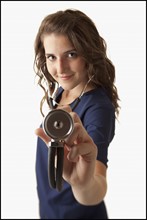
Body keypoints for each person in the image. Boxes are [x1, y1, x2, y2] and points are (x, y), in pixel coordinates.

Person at [34, 8, 120, 219]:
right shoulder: (65, 90)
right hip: (50, 212)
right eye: (51, 57)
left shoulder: (98, 108)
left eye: (71, 54)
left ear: (89, 53)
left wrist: (83, 184)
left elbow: (98, 184)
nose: (60, 68)